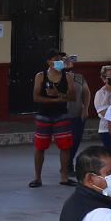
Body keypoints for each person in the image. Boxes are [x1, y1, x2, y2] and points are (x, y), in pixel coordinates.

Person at [28, 53, 74, 188]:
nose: (60, 62)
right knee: (39, 147)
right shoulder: (40, 76)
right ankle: (37, 178)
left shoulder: (68, 76)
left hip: (62, 115)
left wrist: (58, 95)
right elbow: (36, 97)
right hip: (43, 115)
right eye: (56, 60)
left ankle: (64, 177)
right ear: (49, 62)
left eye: (61, 60)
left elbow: (73, 96)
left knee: (65, 146)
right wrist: (56, 99)